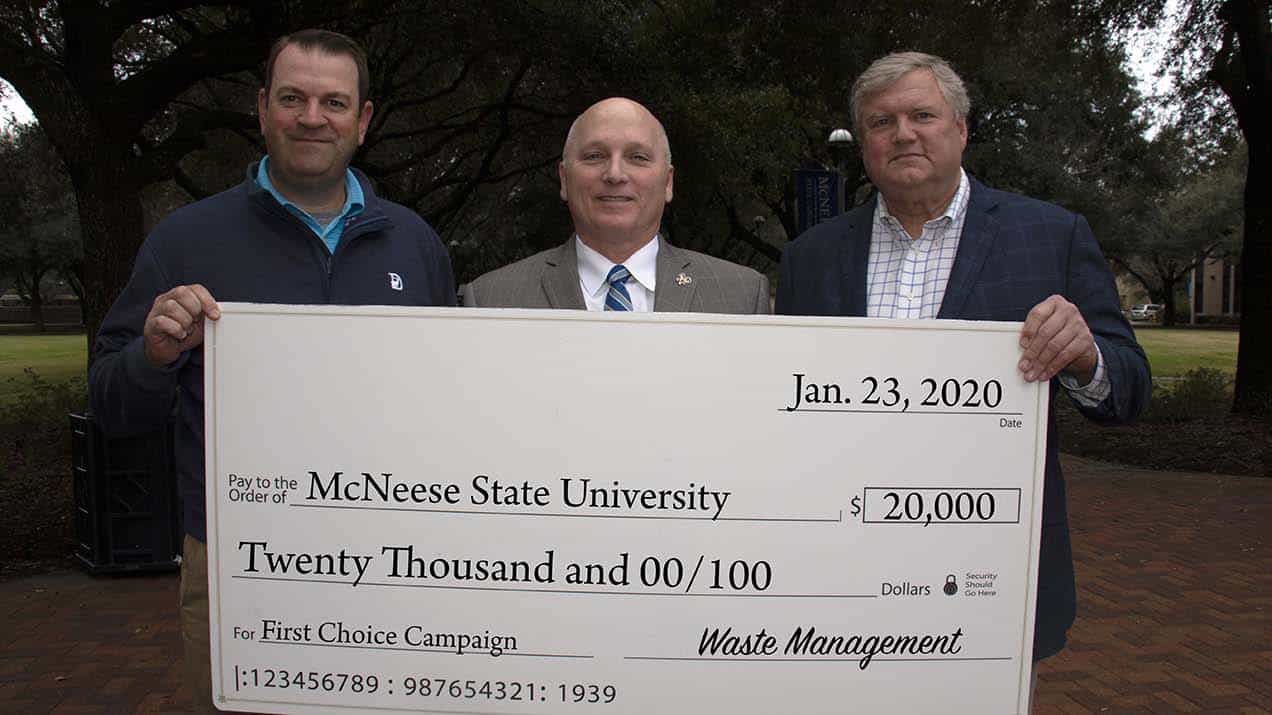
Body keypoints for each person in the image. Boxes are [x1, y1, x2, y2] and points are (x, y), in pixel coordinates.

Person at [88, 29, 456, 712]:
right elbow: (111, 406)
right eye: (292, 98)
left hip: (392, 560)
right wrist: (156, 355)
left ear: (363, 120)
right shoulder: (185, 240)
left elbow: (450, 410)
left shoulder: (416, 244)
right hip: (236, 565)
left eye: (333, 102)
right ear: (262, 109)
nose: (311, 117)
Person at [776, 52, 1151, 666]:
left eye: (922, 114)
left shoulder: (1051, 237)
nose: (903, 133)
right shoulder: (810, 258)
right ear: (864, 143)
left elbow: (1131, 390)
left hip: (992, 570)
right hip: (840, 567)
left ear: (961, 129)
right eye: (880, 122)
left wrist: (1085, 358)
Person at [462, 97, 769, 313]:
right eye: (594, 155)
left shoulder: (741, 295)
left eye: (638, 157)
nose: (615, 174)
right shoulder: (492, 298)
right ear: (564, 179)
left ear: (668, 182)